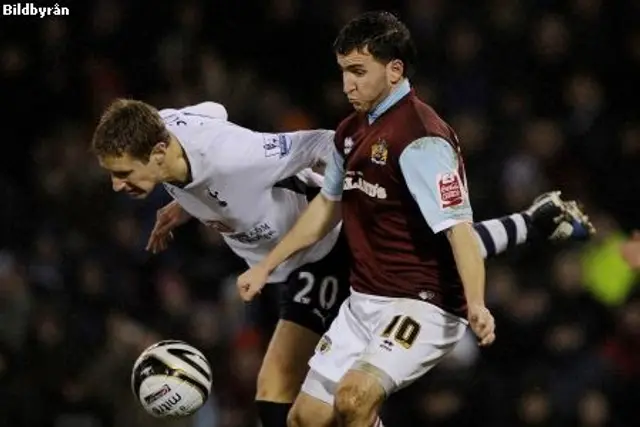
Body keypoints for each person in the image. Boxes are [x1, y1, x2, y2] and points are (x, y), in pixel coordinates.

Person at [91, 99, 593, 427]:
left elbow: (320, 143)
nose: (117, 186)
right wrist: (185, 200)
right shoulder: (166, 132)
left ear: (157, 151)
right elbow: (213, 108)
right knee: (436, 261)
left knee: (276, 397)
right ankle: (535, 220)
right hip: (284, 268)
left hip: (320, 253)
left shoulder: (235, 156)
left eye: (123, 174)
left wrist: (356, 185)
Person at [235, 11, 593, 427]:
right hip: (364, 301)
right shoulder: (349, 132)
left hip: (425, 303)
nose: (347, 84)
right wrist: (266, 265)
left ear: (394, 70)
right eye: (343, 72)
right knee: (306, 419)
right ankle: (534, 220)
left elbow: (459, 231)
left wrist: (477, 303)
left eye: (358, 71)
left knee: (353, 399)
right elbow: (324, 208)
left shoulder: (421, 138)